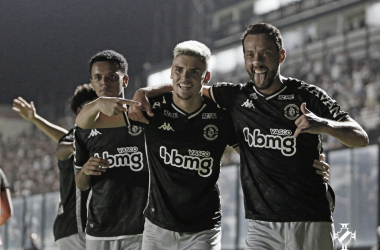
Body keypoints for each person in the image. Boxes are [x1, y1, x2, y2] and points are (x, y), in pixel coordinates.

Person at [128, 24, 369, 250]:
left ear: (281, 56)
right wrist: (144, 92)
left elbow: (360, 137)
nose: (257, 61)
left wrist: (323, 124)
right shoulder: (235, 97)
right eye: (250, 54)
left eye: (264, 54)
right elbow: (188, 84)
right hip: (260, 224)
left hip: (310, 216)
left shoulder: (309, 95)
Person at [75, 41, 330, 250]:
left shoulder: (222, 117)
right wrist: (98, 104)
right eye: (179, 70)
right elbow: (84, 124)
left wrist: (307, 165)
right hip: (157, 228)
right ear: (172, 72)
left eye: (194, 72)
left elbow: (257, 153)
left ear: (205, 77)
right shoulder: (152, 111)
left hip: (203, 229)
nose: (184, 77)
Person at [73, 50, 148, 250]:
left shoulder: (144, 116)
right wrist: (86, 171)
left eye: (112, 77)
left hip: (141, 228)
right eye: (98, 78)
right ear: (92, 82)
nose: (104, 83)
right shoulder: (85, 128)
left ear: (125, 81)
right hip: (100, 229)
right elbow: (80, 184)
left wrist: (145, 92)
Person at [12, 84, 98, 250]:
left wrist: (35, 119)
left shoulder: (76, 137)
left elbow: (63, 137)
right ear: (81, 111)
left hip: (70, 226)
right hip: (78, 226)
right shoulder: (86, 137)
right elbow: (67, 143)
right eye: (96, 105)